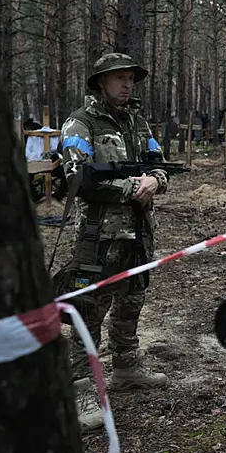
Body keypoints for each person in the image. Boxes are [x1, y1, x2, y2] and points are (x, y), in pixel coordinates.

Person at [60, 52, 169, 431]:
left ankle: (126, 366)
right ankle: (78, 387)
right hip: (98, 233)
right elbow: (78, 176)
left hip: (138, 230)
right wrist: (129, 188)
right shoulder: (80, 123)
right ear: (101, 83)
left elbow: (159, 162)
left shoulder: (137, 123)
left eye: (131, 78)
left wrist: (155, 180)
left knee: (133, 298)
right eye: (119, 78)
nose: (127, 85)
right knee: (89, 308)